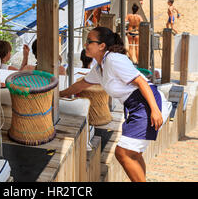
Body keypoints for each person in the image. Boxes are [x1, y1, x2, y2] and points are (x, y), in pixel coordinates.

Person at [60, 26, 165, 183]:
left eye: (89, 41)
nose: (85, 44)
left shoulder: (113, 59)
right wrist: (58, 95)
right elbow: (80, 85)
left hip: (146, 103)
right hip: (136, 106)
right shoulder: (100, 67)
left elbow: (141, 82)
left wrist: (155, 110)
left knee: (123, 153)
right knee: (133, 154)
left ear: (102, 46)